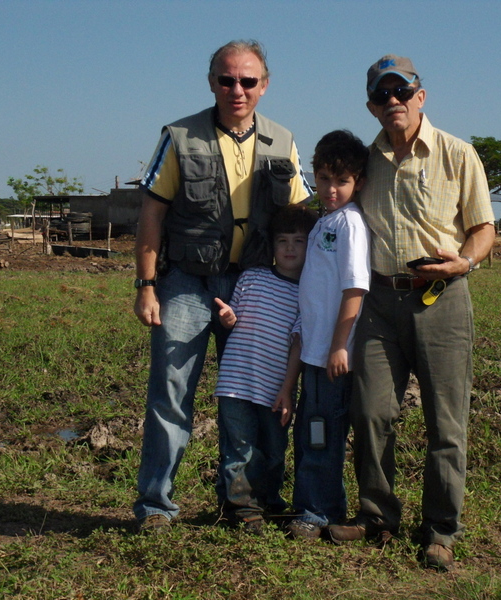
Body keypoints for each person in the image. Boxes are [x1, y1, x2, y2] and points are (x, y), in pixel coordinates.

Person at [132, 39, 312, 534]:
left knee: (256, 395)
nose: (238, 89)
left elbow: (301, 217)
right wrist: (146, 285)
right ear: (211, 81)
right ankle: (156, 506)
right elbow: (152, 210)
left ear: (265, 85)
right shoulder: (179, 135)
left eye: (248, 81)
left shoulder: (283, 141)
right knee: (171, 393)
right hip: (187, 280)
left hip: (258, 285)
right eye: (227, 79)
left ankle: (246, 503)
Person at [326, 55, 496, 571]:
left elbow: (483, 227)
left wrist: (463, 261)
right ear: (371, 107)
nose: (393, 101)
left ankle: (441, 531)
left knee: (446, 421)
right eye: (382, 95)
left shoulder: (457, 154)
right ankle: (378, 517)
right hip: (379, 300)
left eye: (402, 92)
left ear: (421, 96)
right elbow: (329, 196)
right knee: (371, 411)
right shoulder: (365, 161)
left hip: (442, 298)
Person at [285, 130, 371, 540]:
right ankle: (310, 502)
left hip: (331, 355)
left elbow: (354, 287)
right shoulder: (324, 222)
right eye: (323, 180)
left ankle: (320, 511)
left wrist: (340, 344)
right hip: (314, 353)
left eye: (342, 181)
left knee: (321, 432)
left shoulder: (350, 224)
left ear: (358, 183)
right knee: (310, 429)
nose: (331, 190)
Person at [212, 204, 318, 533]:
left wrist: (287, 390)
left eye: (298, 241)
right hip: (235, 383)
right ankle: (242, 508)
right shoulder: (252, 277)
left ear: (310, 246)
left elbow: (298, 346)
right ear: (271, 245)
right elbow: (235, 317)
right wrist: (229, 318)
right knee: (239, 447)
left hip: (274, 389)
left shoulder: (307, 294)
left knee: (274, 450)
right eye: (282, 240)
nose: (289, 248)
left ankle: (267, 500)